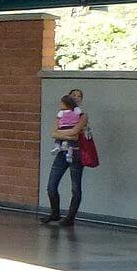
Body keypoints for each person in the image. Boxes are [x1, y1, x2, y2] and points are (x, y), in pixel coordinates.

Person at [43, 88, 89, 226]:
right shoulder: (61, 114)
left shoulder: (82, 115)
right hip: (62, 152)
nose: (76, 98)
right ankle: (55, 212)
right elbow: (53, 133)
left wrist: (63, 133)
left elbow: (75, 132)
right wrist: (69, 134)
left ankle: (70, 217)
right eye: (74, 95)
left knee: (75, 187)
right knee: (51, 186)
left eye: (79, 96)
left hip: (76, 153)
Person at [50, 94, 81, 163]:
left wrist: (58, 131)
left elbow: (55, 131)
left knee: (58, 138)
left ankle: (57, 146)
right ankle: (69, 152)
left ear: (65, 104)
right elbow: (79, 113)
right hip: (72, 126)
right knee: (71, 143)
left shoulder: (61, 112)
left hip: (63, 127)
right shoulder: (76, 111)